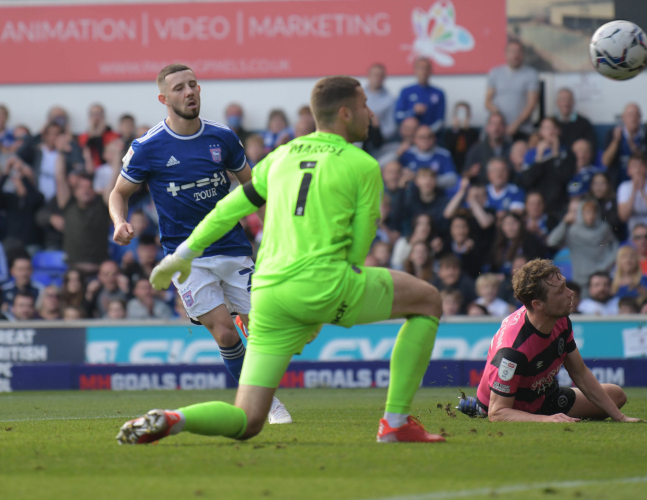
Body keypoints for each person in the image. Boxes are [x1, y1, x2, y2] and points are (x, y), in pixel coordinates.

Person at [119, 75, 446, 445]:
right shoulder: (363, 164)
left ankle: (174, 418)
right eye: (364, 105)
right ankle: (395, 422)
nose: (370, 113)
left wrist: (182, 255)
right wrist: (320, 310)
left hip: (270, 294)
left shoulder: (281, 156)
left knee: (248, 419)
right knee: (427, 300)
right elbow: (357, 251)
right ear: (344, 113)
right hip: (324, 283)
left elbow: (227, 210)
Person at [108, 63, 291, 424]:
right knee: (224, 331)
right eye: (179, 88)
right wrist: (119, 221)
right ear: (164, 98)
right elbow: (119, 192)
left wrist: (274, 233)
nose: (189, 91)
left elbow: (254, 188)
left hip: (233, 248)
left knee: (263, 327)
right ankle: (268, 404)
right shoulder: (147, 147)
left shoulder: (222, 137)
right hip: (186, 258)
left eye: (193, 84)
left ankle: (254, 354)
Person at [457, 259, 640, 422]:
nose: (570, 293)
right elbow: (498, 413)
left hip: (544, 395)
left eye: (565, 286)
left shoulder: (560, 318)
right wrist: (546, 419)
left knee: (617, 395)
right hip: (511, 405)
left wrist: (620, 417)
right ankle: (479, 407)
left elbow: (580, 373)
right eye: (560, 291)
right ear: (538, 304)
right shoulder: (512, 350)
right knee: (495, 409)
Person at [547, 199, 618, 289]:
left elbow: (615, 245)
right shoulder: (573, 232)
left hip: (602, 276)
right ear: (581, 213)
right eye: (587, 212)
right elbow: (551, 242)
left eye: (593, 212)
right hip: (581, 280)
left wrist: (608, 263)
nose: (591, 216)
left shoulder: (604, 229)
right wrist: (564, 223)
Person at [516, 118, 575, 226]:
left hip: (559, 205)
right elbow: (527, 181)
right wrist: (538, 158)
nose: (550, 131)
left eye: (554, 128)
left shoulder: (567, 153)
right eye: (546, 128)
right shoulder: (531, 154)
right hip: (537, 206)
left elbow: (565, 178)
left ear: (559, 131)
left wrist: (556, 154)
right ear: (541, 132)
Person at [485, 40, 539, 140]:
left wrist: (515, 125)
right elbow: (488, 102)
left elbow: (532, 104)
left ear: (523, 54)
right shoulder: (495, 73)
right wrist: (499, 120)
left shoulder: (531, 74)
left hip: (522, 129)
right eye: (512, 51)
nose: (515, 55)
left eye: (518, 51)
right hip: (498, 130)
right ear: (506, 54)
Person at [617, 152, 647, 233]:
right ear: (628, 170)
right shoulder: (624, 187)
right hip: (633, 233)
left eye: (641, 165)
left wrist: (642, 191)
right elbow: (623, 217)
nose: (638, 169)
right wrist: (634, 191)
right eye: (634, 166)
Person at [398, 125, 458, 190]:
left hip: (438, 193)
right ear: (415, 139)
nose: (426, 140)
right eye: (422, 137)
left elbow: (452, 179)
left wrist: (426, 181)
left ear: (435, 139)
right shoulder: (407, 154)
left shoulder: (443, 155)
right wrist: (397, 154)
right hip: (411, 192)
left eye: (429, 137)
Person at [395, 58, 446, 133]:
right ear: (415, 70)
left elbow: (441, 120)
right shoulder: (406, 91)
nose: (424, 71)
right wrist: (413, 111)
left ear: (431, 71)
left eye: (427, 68)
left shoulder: (439, 93)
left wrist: (426, 132)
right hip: (409, 136)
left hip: (430, 136)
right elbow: (398, 117)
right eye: (421, 68)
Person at [463, 113, 513, 185]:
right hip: (482, 188)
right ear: (487, 127)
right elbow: (464, 174)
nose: (496, 128)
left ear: (505, 127)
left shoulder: (512, 149)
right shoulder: (476, 150)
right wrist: (470, 173)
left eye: (500, 124)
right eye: (493, 124)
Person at [602, 103, 644, 186]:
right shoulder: (612, 134)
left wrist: (632, 145)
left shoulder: (646, 136)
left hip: (640, 184)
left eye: (636, 115)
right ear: (623, 118)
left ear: (640, 117)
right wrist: (616, 141)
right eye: (630, 115)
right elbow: (605, 162)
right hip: (615, 183)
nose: (633, 118)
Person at [77, 104, 121, 168]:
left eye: (98, 114)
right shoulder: (82, 137)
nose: (96, 118)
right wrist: (92, 134)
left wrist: (99, 133)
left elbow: (105, 156)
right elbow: (83, 153)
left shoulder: (113, 135)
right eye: (93, 114)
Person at [364, 63, 397, 143]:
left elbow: (391, 127)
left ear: (384, 78)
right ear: (368, 76)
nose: (377, 78)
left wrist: (377, 128)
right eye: (375, 75)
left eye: (381, 75)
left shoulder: (390, 100)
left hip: (379, 140)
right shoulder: (358, 96)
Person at [589, 172, 625, 242]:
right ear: (591, 186)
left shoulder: (615, 202)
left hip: (612, 240)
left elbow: (615, 224)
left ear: (608, 185)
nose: (599, 187)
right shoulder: (586, 203)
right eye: (596, 183)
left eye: (602, 183)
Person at [444, 102, 480, 170]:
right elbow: (449, 148)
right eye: (459, 113)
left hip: (468, 165)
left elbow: (472, 149)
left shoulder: (474, 133)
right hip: (453, 163)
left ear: (469, 115)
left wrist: (466, 130)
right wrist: (456, 129)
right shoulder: (449, 133)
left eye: (464, 113)